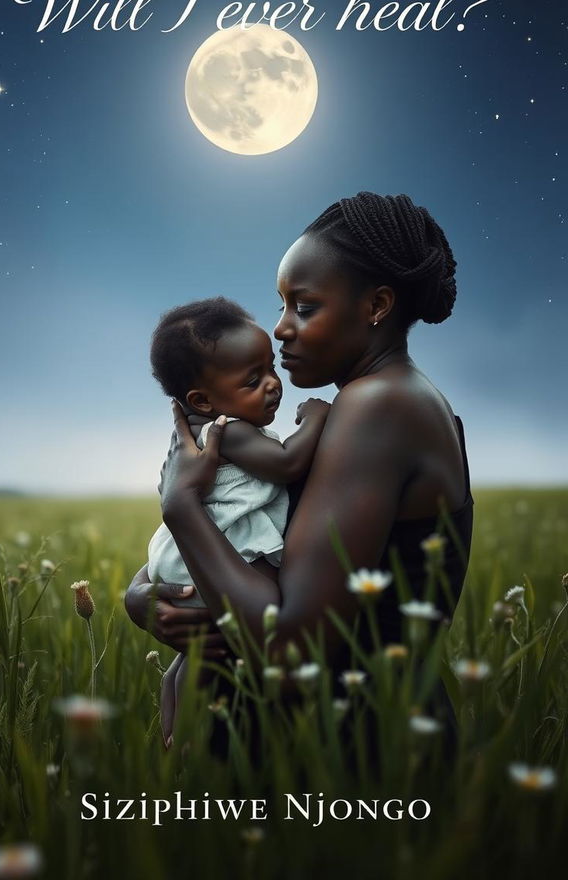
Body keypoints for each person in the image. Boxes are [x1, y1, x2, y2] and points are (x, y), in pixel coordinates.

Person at [125, 191, 473, 743]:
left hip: (353, 763)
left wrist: (180, 505)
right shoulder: (380, 404)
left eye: (305, 307)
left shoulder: (378, 407)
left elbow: (287, 653)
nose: (281, 328)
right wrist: (144, 594)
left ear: (377, 306)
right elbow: (250, 538)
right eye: (282, 304)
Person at [146, 297, 330, 742]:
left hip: (189, 556)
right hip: (214, 558)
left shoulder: (209, 426)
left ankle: (174, 734)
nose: (273, 384)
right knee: (209, 659)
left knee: (192, 661)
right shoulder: (230, 432)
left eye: (270, 368)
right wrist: (317, 418)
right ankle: (187, 742)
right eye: (253, 380)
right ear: (202, 400)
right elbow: (287, 463)